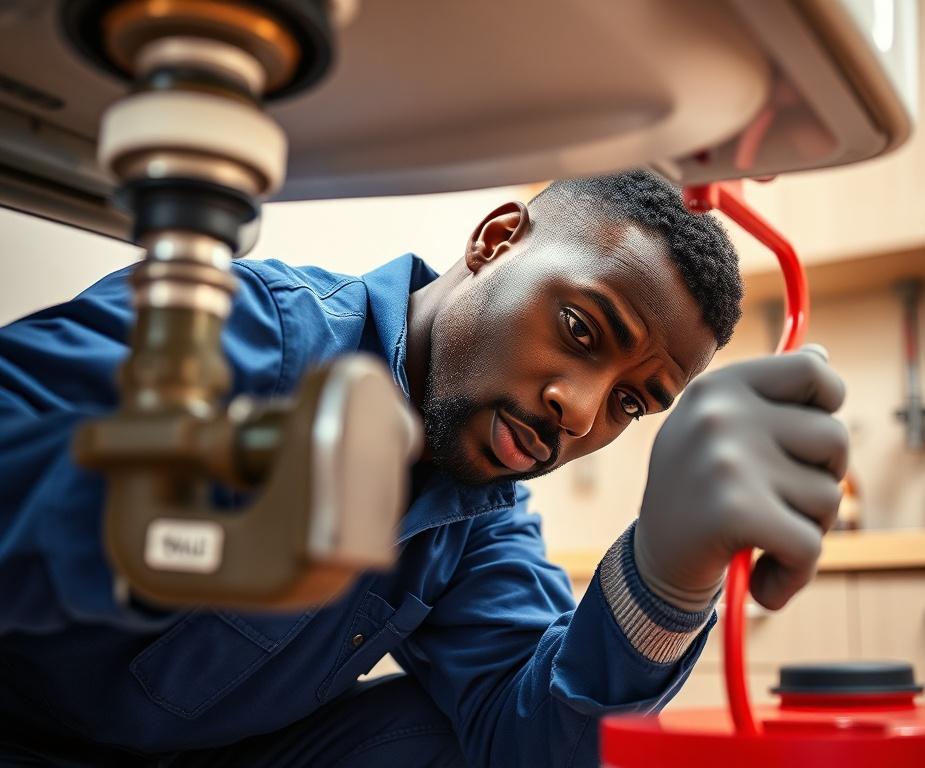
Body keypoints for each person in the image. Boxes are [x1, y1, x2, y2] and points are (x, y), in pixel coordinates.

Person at [0, 170, 847, 766]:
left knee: (470, 740)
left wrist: (668, 579)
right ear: (496, 240)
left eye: (633, 404)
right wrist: (212, 489)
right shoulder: (251, 330)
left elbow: (541, 738)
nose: (583, 412)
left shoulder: (480, 515)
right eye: (583, 331)